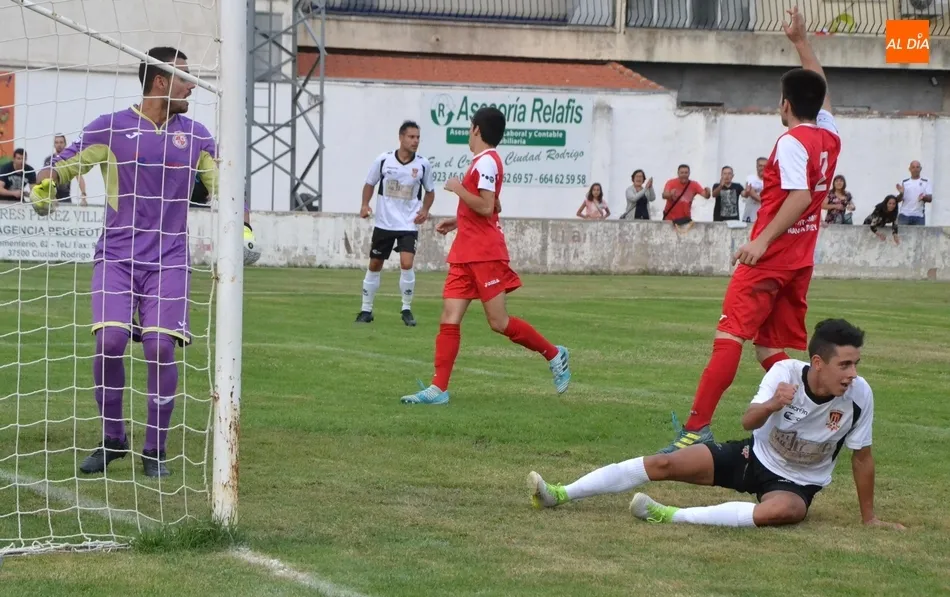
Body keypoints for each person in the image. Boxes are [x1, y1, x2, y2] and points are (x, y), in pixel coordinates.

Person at [31, 46, 257, 478]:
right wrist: (43, 187)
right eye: (186, 77)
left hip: (169, 260)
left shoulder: (196, 136)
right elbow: (62, 167)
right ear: (160, 81)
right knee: (109, 342)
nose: (194, 85)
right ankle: (112, 438)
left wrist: (244, 227)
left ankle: (155, 449)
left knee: (158, 346)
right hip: (116, 258)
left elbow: (227, 188)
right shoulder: (111, 127)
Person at [659, 6, 843, 453]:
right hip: (799, 260)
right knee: (770, 352)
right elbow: (820, 91)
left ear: (785, 104)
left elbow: (798, 196)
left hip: (770, 258)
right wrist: (801, 43)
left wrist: (760, 240)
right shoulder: (828, 135)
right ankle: (807, 423)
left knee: (728, 339)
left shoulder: (792, 140)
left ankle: (694, 431)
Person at [529, 319, 904, 531]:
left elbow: (862, 457)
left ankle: (669, 515)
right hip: (752, 456)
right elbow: (748, 419)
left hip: (798, 484)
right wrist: (775, 402)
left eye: (856, 364)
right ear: (819, 363)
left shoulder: (859, 396)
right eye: (846, 365)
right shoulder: (785, 372)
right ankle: (559, 493)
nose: (853, 374)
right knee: (663, 463)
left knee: (785, 512)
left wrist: (869, 518)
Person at [399, 106, 570, 405]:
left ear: (477, 129)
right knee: (449, 317)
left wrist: (457, 190)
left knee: (499, 322)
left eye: (469, 127)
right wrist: (459, 219)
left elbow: (487, 207)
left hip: (484, 254)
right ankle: (438, 389)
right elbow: (494, 206)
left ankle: (554, 354)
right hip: (465, 252)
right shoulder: (481, 163)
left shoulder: (487, 163)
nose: (468, 133)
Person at [356, 120, 435, 326]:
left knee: (406, 263)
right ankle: (366, 310)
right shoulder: (384, 160)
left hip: (408, 225)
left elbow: (430, 191)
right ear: (401, 138)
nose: (415, 141)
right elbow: (369, 183)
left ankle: (406, 309)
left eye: (418, 137)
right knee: (375, 264)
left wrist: (425, 210)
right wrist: (365, 205)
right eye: (411, 137)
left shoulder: (423, 164)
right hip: (384, 223)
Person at [43, 134, 88, 206]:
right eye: (57, 142)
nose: (59, 145)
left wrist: (83, 197)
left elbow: (79, 177)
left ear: (65, 144)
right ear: (54, 144)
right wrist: (52, 196)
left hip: (65, 196)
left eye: (61, 142)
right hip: (51, 197)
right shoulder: (49, 160)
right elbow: (45, 179)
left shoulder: (70, 159)